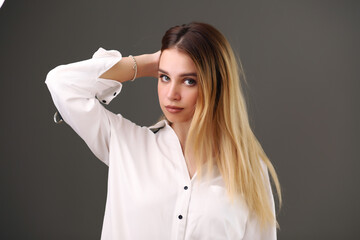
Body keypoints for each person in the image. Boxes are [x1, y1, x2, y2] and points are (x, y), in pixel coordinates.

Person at [45, 22, 281, 240]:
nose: (171, 94)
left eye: (189, 81)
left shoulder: (249, 170)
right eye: (164, 78)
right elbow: (61, 83)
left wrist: (167, 67)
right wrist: (148, 63)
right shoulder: (127, 144)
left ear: (217, 85)